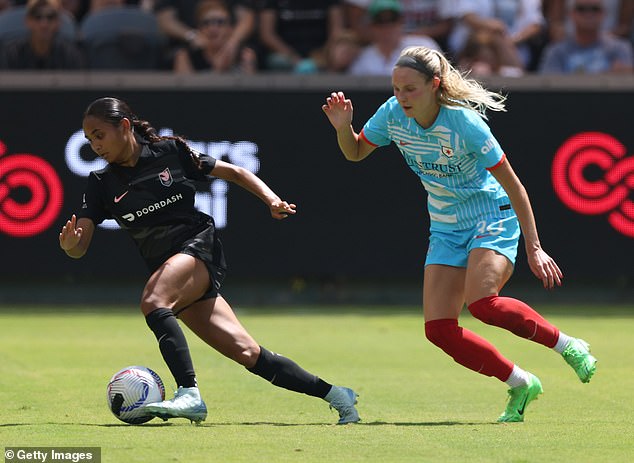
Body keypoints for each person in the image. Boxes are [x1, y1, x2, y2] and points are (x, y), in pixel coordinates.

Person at [321, 46, 598, 423]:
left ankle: (567, 345)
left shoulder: (465, 124)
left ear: (435, 85)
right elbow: (354, 153)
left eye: (410, 89)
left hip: (492, 216)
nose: (401, 97)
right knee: (438, 330)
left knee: (483, 303)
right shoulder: (391, 115)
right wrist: (342, 129)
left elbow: (515, 187)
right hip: (446, 226)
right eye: (396, 88)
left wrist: (534, 248)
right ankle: (520, 382)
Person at [59, 97, 360, 425]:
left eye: (99, 135)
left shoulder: (170, 152)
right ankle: (337, 395)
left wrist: (271, 199)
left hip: (199, 247)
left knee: (154, 301)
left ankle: (188, 393)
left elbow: (236, 172)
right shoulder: (102, 183)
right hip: (172, 270)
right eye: (89, 139)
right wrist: (71, 246)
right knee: (248, 354)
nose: (95, 145)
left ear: (125, 127)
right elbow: (80, 244)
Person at [347, 0, 441, 76]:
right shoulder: (363, 58)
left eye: (392, 20)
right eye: (381, 22)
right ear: (372, 27)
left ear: (401, 22)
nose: (387, 28)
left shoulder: (423, 46)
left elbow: (441, 76)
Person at [539, 0, 633, 74]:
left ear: (604, 14)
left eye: (594, 9)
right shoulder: (556, 51)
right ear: (571, 14)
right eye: (581, 9)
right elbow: (549, 86)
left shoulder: (619, 48)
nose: (588, 14)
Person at [173, 0, 257, 73]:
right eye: (206, 22)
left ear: (230, 28)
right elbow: (186, 91)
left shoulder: (245, 56)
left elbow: (251, 90)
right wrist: (217, 70)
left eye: (220, 22)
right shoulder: (185, 57)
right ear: (199, 28)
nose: (213, 28)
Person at [0, 0, 84, 69]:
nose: (44, 24)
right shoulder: (11, 54)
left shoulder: (71, 56)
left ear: (59, 22)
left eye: (50, 17)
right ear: (27, 21)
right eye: (37, 16)